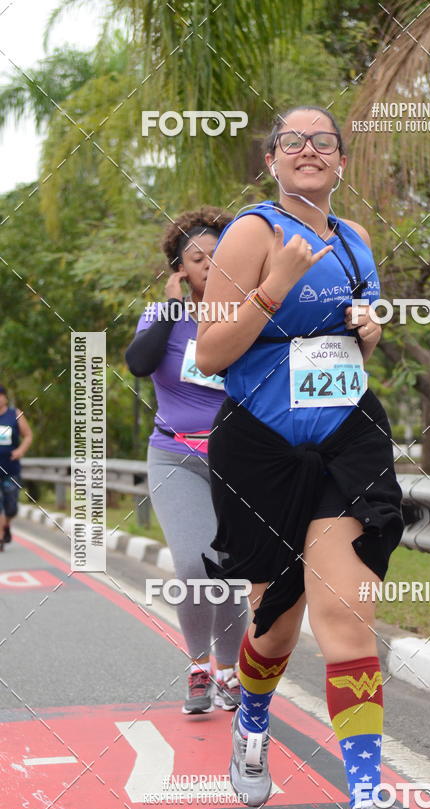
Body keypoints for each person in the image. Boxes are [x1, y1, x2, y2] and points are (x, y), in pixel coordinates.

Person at [196, 107, 423, 809]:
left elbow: (354, 338)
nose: (308, 150)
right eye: (292, 141)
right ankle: (253, 719)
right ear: (272, 161)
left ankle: (366, 806)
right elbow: (210, 350)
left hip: (345, 443)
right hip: (260, 450)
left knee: (345, 615)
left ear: (340, 160)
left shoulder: (356, 241)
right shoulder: (252, 234)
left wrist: (369, 330)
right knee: (277, 624)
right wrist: (275, 286)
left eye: (323, 140)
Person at [125, 207, 247, 715]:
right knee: (195, 565)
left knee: (231, 571)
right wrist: (175, 308)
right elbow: (137, 363)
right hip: (175, 454)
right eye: (196, 257)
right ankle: (199, 666)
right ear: (179, 268)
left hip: (239, 458)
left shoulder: (248, 315)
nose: (208, 264)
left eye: (219, 256)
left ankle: (228, 670)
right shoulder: (160, 317)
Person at [0, 384, 33, 551]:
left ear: (5, 397)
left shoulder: (15, 414)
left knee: (11, 507)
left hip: (11, 468)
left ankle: (5, 525)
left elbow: (28, 435)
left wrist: (20, 450)